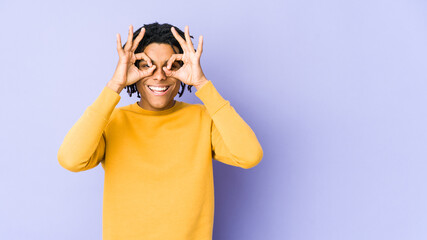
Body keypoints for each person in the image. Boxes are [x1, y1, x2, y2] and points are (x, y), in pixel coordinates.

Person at [58, 22, 263, 240]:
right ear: (132, 69)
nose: (159, 76)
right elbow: (71, 159)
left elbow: (249, 155)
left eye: (171, 66)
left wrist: (202, 84)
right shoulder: (112, 121)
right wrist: (115, 85)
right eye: (147, 65)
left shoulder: (204, 119)